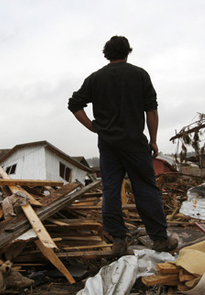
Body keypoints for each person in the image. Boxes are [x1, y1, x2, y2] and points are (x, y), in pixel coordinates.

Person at [67, 35, 178, 255]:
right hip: (135, 144)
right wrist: (153, 139)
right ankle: (159, 239)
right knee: (146, 189)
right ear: (128, 52)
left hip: (108, 145)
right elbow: (151, 111)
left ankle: (118, 241)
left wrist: (92, 126)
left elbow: (74, 104)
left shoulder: (95, 78)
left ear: (107, 53)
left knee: (110, 191)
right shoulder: (139, 75)